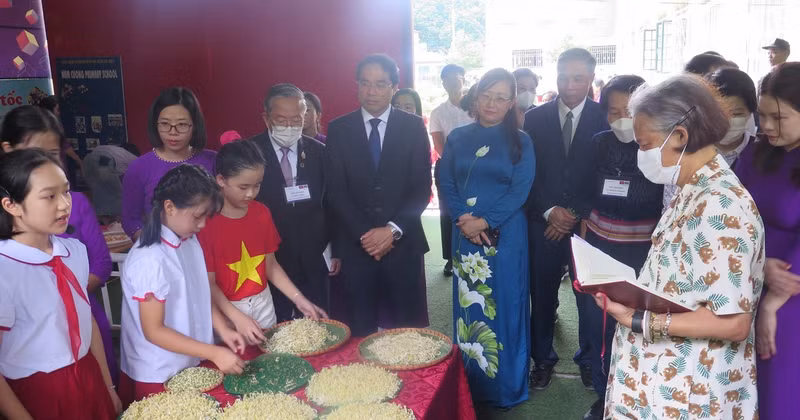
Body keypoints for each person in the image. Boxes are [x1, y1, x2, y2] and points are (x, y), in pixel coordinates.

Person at [599, 74, 763, 419]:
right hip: (667, 380)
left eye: (644, 145)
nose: (639, 153)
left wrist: (641, 320)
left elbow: (733, 322)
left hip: (690, 391)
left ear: (679, 136)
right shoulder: (693, 188)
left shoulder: (721, 204)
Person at [0, 105, 118, 386]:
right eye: (33, 153)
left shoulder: (73, 217)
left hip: (82, 336)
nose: (62, 204)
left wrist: (61, 300)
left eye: (52, 155)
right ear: (7, 149)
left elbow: (100, 264)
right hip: (32, 364)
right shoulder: (7, 262)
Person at [439, 68, 535, 408]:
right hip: (465, 234)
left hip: (505, 235)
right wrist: (464, 219)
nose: (491, 104)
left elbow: (520, 190)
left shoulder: (521, 141)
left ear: (511, 103)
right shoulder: (458, 137)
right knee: (470, 304)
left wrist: (484, 221)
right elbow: (446, 181)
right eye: (486, 96)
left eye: (500, 98)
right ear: (475, 97)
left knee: (505, 304)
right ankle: (470, 385)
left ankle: (505, 387)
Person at [118, 164, 246, 405]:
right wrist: (214, 352)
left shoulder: (187, 239)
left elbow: (198, 295)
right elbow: (154, 330)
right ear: (169, 207)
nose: (202, 225)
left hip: (191, 361)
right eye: (197, 216)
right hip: (159, 371)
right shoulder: (150, 259)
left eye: (206, 217)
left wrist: (223, 329)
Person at [325, 53, 432, 336]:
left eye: (380, 84)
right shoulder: (339, 128)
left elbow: (421, 188)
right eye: (365, 83)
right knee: (359, 328)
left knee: (406, 331)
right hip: (357, 245)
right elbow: (336, 190)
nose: (371, 91)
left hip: (403, 243)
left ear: (394, 87)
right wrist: (367, 235)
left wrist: (392, 230)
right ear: (357, 85)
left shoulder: (413, 126)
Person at [577, 75, 664, 420]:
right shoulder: (598, 143)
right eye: (613, 112)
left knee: (631, 325)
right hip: (598, 246)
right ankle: (604, 395)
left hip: (641, 252)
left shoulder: (657, 148)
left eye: (628, 111)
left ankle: (632, 393)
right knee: (596, 322)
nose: (621, 120)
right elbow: (581, 191)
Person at [524, 48, 610, 390]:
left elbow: (606, 175)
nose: (569, 84)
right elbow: (528, 174)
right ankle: (542, 359)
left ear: (591, 78)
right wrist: (550, 211)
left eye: (577, 77)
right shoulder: (534, 117)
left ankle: (590, 360)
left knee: (588, 299)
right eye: (563, 76)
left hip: (586, 227)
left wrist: (573, 213)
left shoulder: (605, 117)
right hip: (542, 223)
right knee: (541, 296)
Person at [198, 140, 326, 345]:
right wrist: (235, 317)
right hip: (226, 310)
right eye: (243, 187)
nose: (251, 193)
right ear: (221, 180)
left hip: (263, 304)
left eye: (257, 185)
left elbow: (271, 266)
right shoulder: (205, 223)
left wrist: (298, 299)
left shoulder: (261, 213)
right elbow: (209, 284)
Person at [735, 62, 800, 420]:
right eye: (762, 116)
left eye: (780, 117)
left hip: (789, 301)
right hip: (744, 282)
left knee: (779, 398)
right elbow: (730, 213)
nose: (767, 126)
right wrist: (757, 264)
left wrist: (773, 303)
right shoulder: (755, 152)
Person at [248, 83, 339, 323]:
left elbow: (333, 203)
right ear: (266, 118)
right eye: (281, 119)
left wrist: (336, 249)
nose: (289, 126)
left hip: (313, 253)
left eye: (296, 119)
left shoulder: (320, 153)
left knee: (317, 321)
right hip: (268, 256)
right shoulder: (249, 153)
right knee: (273, 322)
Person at [121, 87, 217, 240]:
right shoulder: (139, 168)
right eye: (165, 124)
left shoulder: (213, 161)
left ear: (195, 125)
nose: (173, 132)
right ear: (155, 124)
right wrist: (153, 245)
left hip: (212, 251)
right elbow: (131, 220)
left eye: (182, 125)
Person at [431, 64, 474, 277]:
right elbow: (439, 144)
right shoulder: (438, 111)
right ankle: (450, 258)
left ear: (463, 78)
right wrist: (454, 163)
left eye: (455, 77)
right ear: (443, 83)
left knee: (473, 209)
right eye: (446, 78)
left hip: (476, 167)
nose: (451, 82)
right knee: (447, 213)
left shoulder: (475, 107)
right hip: (447, 167)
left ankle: (473, 250)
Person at [707, 68, 759, 166]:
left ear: (750, 113)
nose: (726, 121)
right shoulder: (692, 150)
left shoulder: (760, 153)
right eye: (719, 113)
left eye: (737, 114)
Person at [82, 144, 139, 219]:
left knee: (99, 194)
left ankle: (103, 222)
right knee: (117, 196)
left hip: (87, 160)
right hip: (104, 161)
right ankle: (116, 222)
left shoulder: (119, 153)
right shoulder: (135, 159)